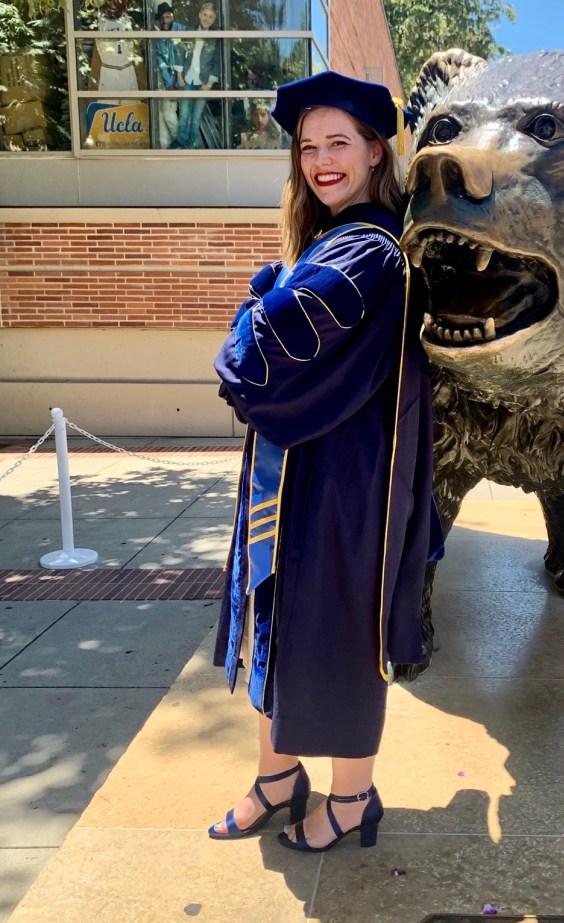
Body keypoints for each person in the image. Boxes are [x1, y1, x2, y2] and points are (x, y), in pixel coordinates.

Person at [211, 70, 441, 852]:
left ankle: (352, 798)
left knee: (338, 632)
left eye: (338, 142)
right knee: (282, 617)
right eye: (308, 147)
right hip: (309, 470)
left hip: (344, 485)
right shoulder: (333, 242)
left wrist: (254, 305)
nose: (319, 161)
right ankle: (278, 779)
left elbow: (254, 357)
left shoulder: (367, 253)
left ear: (378, 151)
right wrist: (269, 291)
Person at [170, 1, 219, 149]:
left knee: (196, 115)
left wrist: (210, 83)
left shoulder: (215, 38)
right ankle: (182, 141)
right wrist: (179, 75)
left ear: (214, 19)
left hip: (203, 81)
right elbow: (179, 52)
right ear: (199, 15)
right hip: (187, 77)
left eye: (211, 17)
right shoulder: (189, 31)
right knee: (185, 113)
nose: (207, 19)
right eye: (205, 15)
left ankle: (192, 143)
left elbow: (217, 62)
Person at [154, 2, 186, 149]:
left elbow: (189, 55)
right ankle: (180, 141)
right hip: (171, 81)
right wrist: (169, 84)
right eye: (162, 18)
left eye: (168, 17)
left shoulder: (182, 31)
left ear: (172, 17)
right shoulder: (159, 38)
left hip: (186, 78)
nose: (165, 21)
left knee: (188, 112)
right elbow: (161, 62)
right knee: (167, 112)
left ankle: (188, 141)